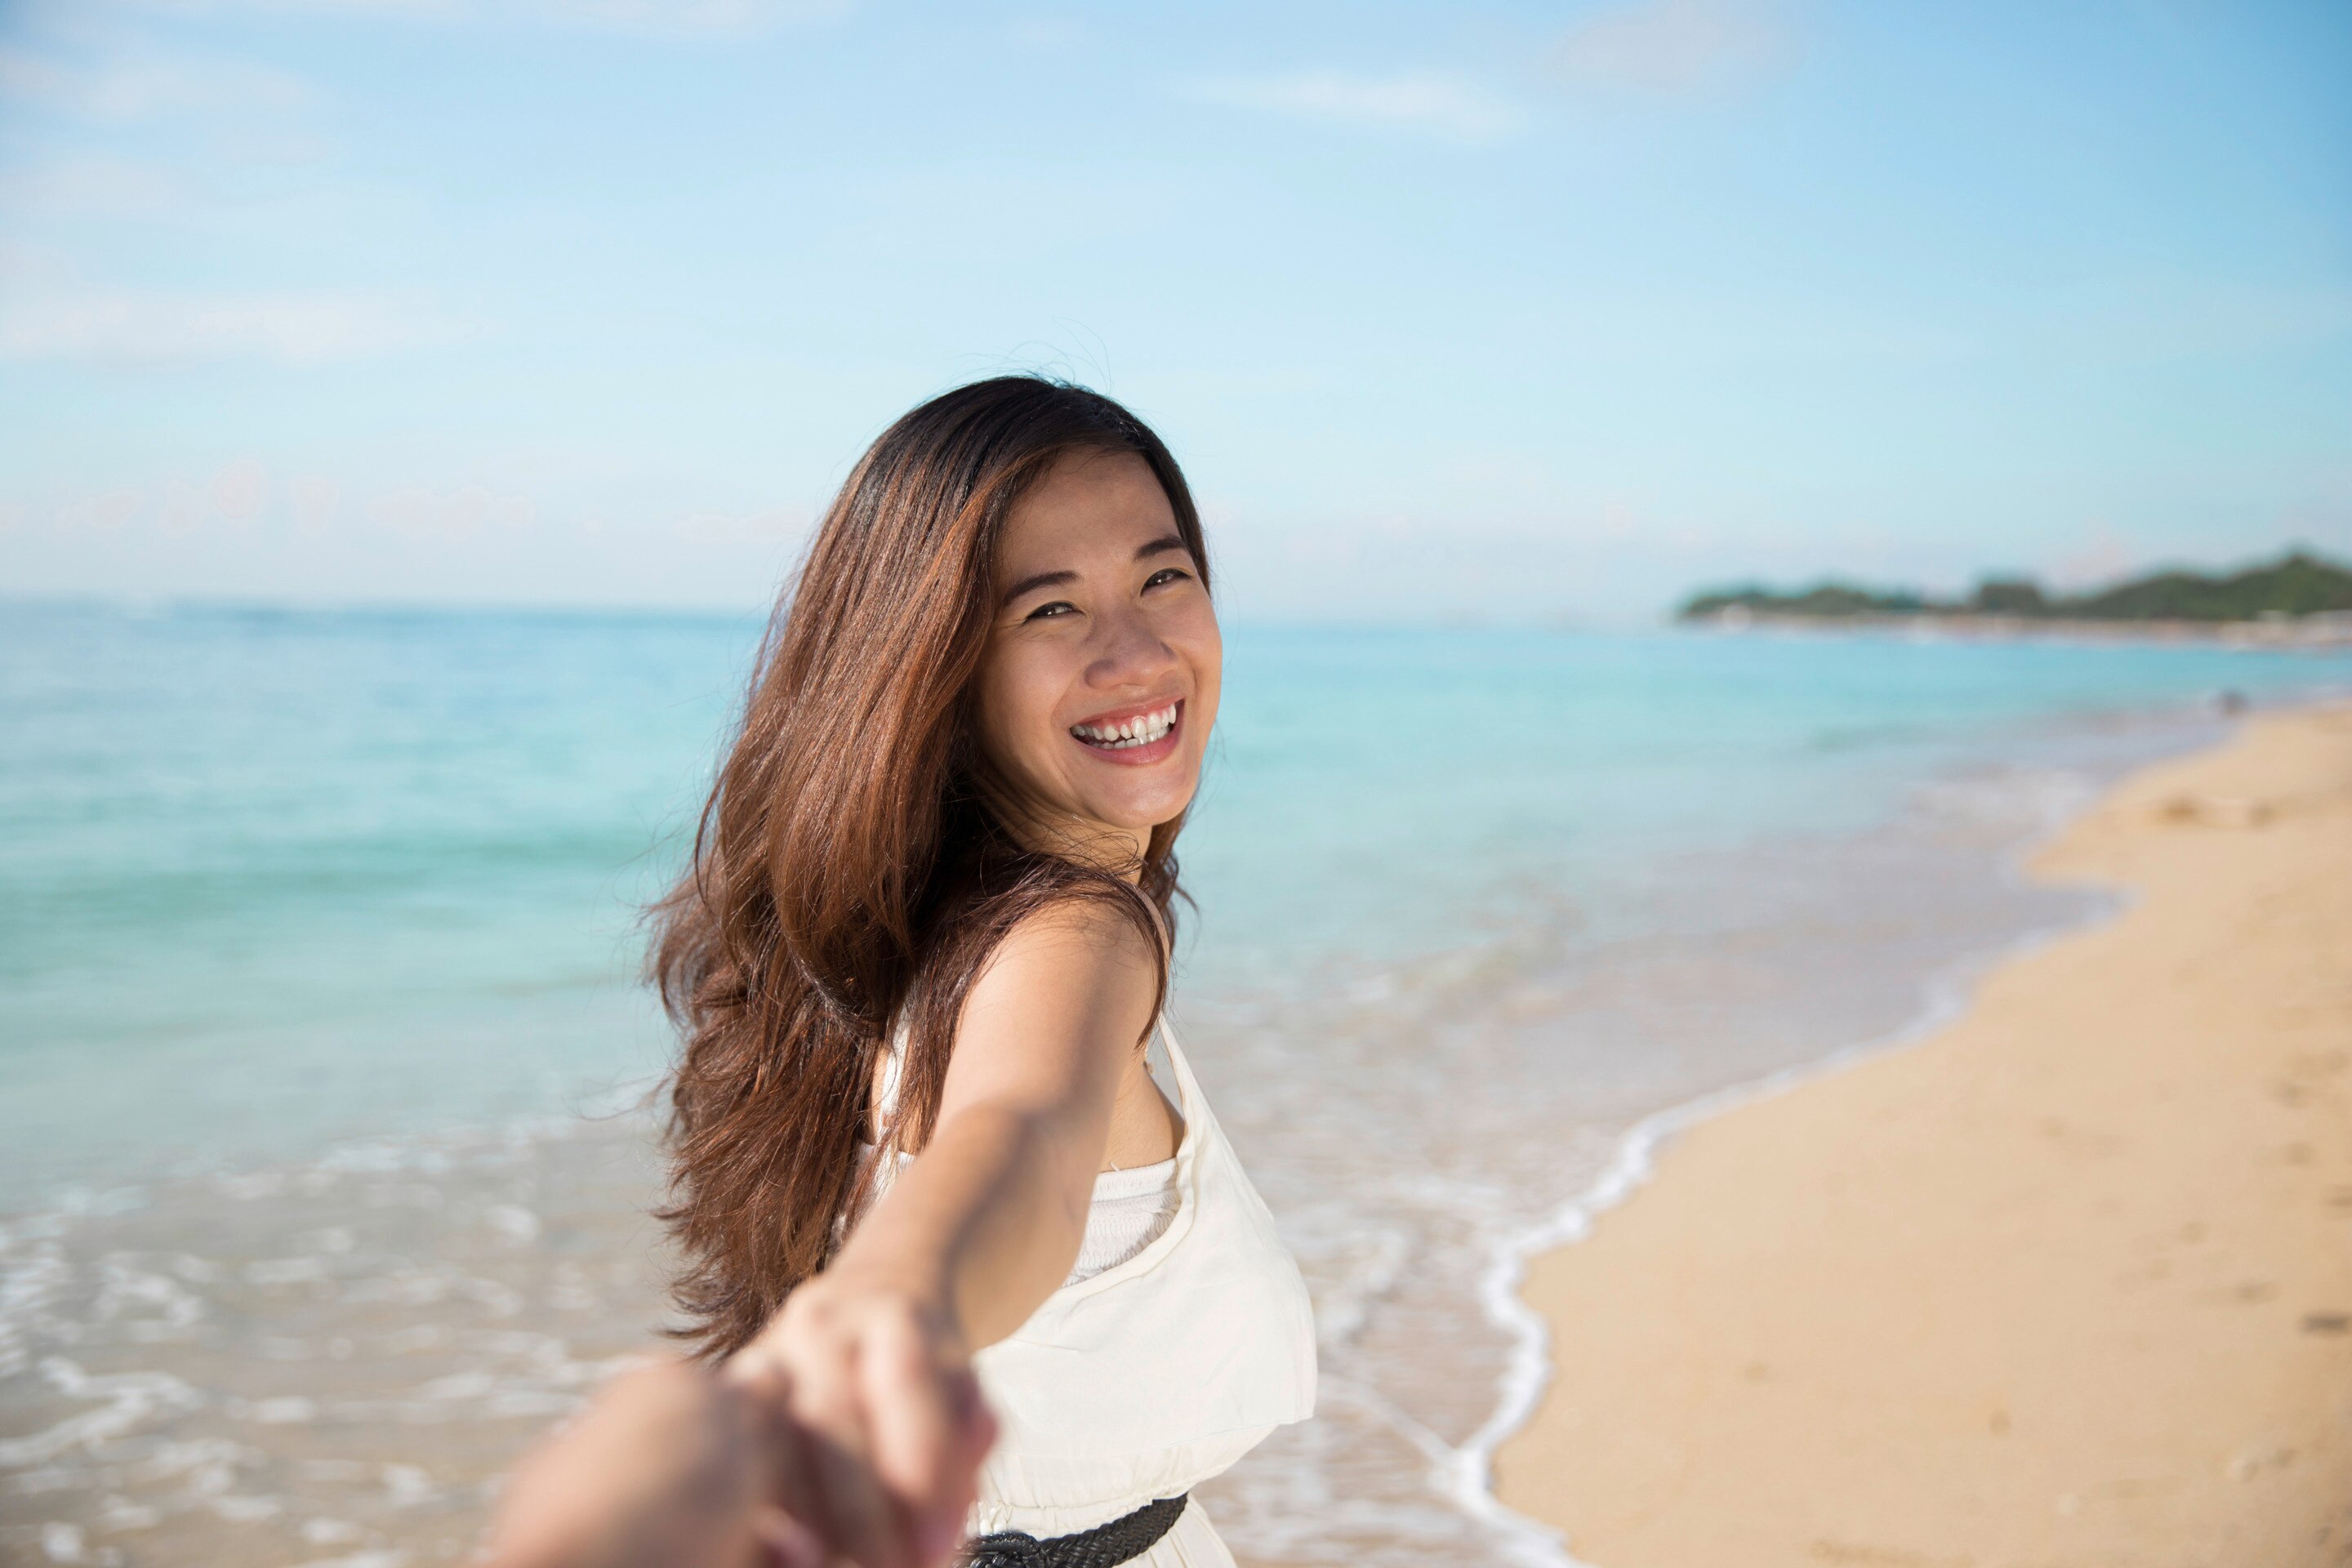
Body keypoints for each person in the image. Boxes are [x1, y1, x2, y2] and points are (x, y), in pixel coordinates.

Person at [643, 377, 1317, 1568]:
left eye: (1164, 577)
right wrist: (882, 1330)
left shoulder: (907, 939)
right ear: (937, 666)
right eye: (1049, 609)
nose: (1138, 650)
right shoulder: (1076, 935)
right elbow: (1018, 1147)